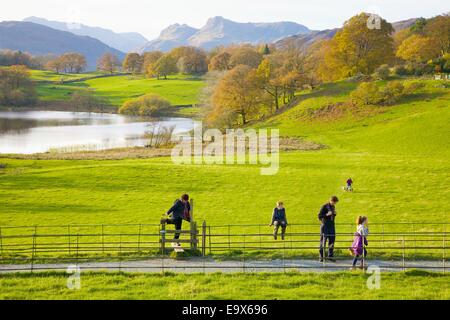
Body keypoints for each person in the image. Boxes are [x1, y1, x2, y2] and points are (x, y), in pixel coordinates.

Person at [318, 196, 339, 262]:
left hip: (331, 226)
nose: (334, 204)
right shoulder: (324, 206)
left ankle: (330, 256)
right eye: (334, 202)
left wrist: (334, 214)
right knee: (323, 241)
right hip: (325, 226)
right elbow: (319, 216)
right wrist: (326, 215)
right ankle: (321, 257)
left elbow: (332, 216)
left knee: (332, 241)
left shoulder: (333, 207)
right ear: (331, 200)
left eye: (335, 203)